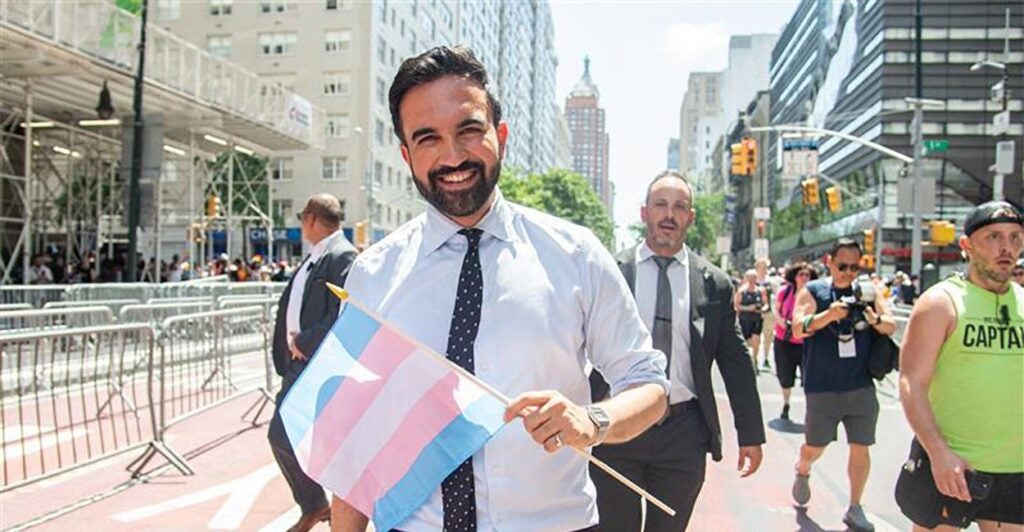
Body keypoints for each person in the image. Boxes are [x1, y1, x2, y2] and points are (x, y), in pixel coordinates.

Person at [331, 45, 669, 532]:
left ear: (501, 136)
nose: (452, 156)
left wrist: (591, 421)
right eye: (428, 138)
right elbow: (352, 438)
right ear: (406, 155)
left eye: (469, 130)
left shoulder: (576, 255)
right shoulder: (373, 275)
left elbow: (649, 385)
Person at [589, 171, 765, 531]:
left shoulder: (714, 283)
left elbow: (735, 362)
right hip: (617, 425)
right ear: (644, 213)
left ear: (690, 217)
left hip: (683, 434)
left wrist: (750, 434)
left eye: (680, 206)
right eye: (660, 205)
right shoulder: (610, 272)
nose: (669, 214)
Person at [898, 201, 1023, 531]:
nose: (1007, 247)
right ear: (966, 245)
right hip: (952, 467)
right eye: (994, 236)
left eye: (1015, 237)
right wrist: (938, 453)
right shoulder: (940, 303)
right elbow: (911, 383)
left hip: (1015, 472)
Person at [790, 238, 896, 531]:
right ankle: (803, 468)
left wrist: (874, 319)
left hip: (860, 384)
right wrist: (830, 315)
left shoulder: (868, 291)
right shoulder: (814, 290)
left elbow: (890, 325)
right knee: (815, 446)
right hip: (822, 385)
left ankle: (855, 506)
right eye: (842, 266)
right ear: (829, 262)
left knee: (861, 446)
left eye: (854, 267)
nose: (848, 272)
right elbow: (797, 327)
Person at [267, 194, 358, 532]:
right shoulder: (316, 256)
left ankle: (323, 508)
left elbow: (344, 311)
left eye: (302, 218)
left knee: (289, 435)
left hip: (317, 364)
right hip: (298, 364)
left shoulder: (342, 256)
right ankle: (316, 506)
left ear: (311, 219)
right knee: (288, 436)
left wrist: (305, 341)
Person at [772, 262, 817, 420]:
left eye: (807, 275)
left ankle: (810, 408)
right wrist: (782, 322)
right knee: (785, 375)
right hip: (784, 340)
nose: (804, 277)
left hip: (806, 343)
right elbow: (776, 309)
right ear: (794, 276)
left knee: (809, 377)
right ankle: (786, 403)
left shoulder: (814, 294)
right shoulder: (785, 291)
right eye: (801, 274)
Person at [735, 269, 768, 371]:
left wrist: (762, 309)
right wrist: (748, 308)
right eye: (750, 277)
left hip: (757, 319)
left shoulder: (760, 291)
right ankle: (743, 361)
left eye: (754, 277)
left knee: (756, 340)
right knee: (744, 342)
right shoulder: (741, 291)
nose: (752, 280)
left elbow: (766, 304)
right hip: (744, 319)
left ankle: (754, 360)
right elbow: (736, 305)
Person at [755, 258, 777, 370]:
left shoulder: (771, 282)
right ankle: (754, 358)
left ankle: (766, 358)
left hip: (768, 313)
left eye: (765, 267)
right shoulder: (751, 280)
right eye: (761, 267)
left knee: (768, 335)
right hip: (754, 314)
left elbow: (776, 297)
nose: (763, 269)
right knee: (755, 337)